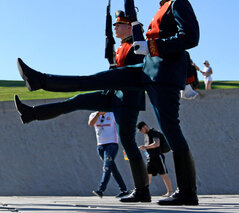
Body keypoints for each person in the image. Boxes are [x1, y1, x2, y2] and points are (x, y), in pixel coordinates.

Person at [17, 0, 200, 206]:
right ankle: (40, 80)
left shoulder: (179, 4)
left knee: (171, 130)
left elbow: (190, 38)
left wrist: (154, 48)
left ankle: (188, 191)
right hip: (147, 71)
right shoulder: (162, 8)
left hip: (163, 76)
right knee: (97, 79)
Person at [14, 10, 149, 202]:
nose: (116, 28)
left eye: (120, 25)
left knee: (128, 143)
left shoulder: (136, 45)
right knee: (76, 100)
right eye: (115, 25)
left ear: (130, 26)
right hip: (114, 94)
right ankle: (32, 114)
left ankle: (142, 190)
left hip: (128, 100)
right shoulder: (121, 48)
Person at [89, 111, 129, 198]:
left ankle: (101, 189)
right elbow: (91, 124)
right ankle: (124, 189)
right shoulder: (93, 114)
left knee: (106, 167)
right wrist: (97, 114)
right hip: (100, 145)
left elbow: (121, 125)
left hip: (112, 144)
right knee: (112, 168)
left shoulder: (112, 114)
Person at [137, 121, 174, 197]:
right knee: (148, 175)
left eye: (141, 130)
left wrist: (146, 147)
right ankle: (145, 192)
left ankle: (170, 192)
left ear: (145, 126)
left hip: (158, 156)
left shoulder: (154, 132)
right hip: (150, 157)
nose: (141, 132)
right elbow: (148, 146)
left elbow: (157, 144)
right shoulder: (146, 135)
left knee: (163, 174)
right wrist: (144, 148)